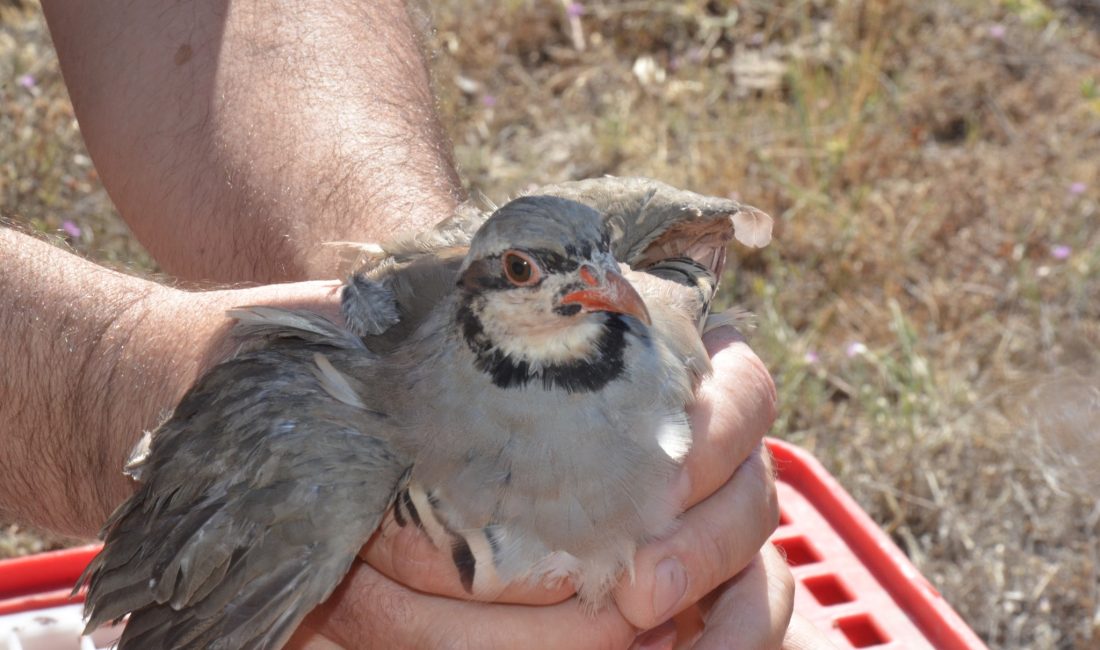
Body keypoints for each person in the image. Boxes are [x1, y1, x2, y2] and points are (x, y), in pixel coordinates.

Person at [1, 2, 827, 647]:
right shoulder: (348, 451)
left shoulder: (647, 325)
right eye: (526, 275)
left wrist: (398, 269)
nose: (593, 289)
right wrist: (115, 388)